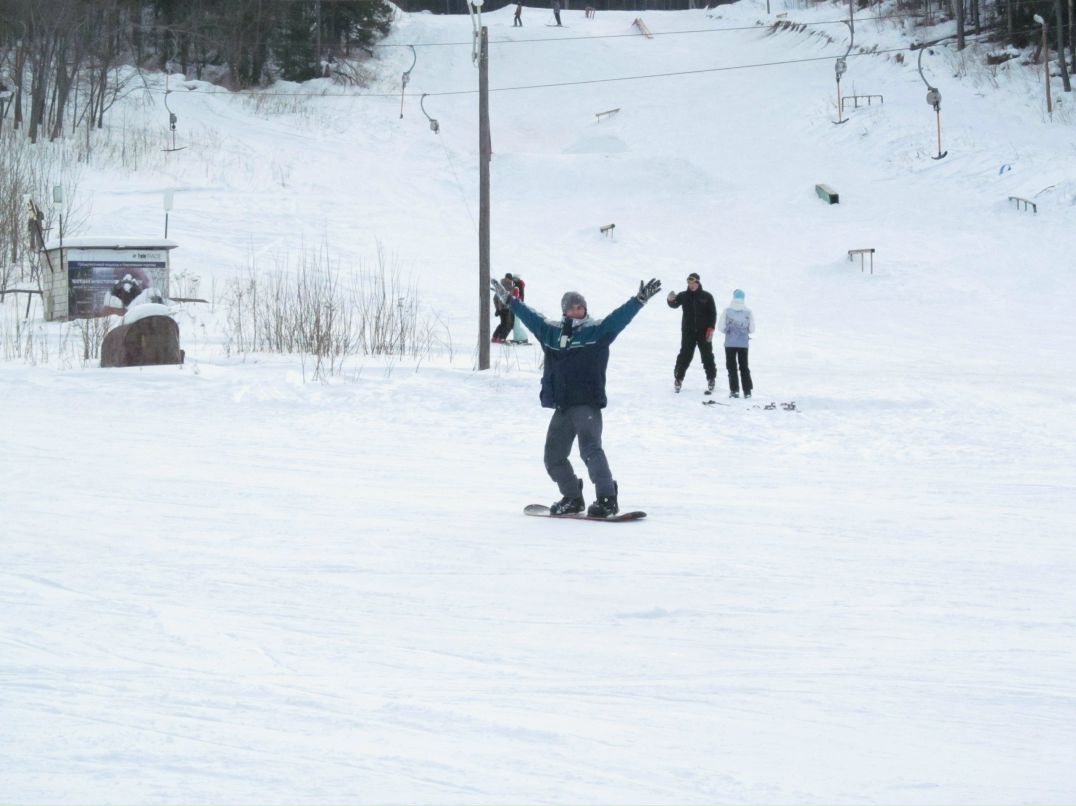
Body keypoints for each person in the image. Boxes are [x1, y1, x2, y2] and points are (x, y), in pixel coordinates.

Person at [490, 276, 662, 517]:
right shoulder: (551, 333)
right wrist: (509, 300)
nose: (576, 311)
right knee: (553, 457)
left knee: (590, 450)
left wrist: (638, 301)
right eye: (571, 308)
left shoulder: (596, 331)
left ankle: (607, 499)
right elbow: (530, 317)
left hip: (587, 405)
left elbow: (618, 318)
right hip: (563, 407)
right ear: (564, 311)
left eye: (580, 307)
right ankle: (572, 497)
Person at [666, 271, 717, 394]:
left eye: (693, 283)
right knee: (685, 355)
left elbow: (712, 313)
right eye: (689, 283)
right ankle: (678, 378)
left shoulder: (707, 296)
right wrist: (670, 300)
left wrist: (711, 327)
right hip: (688, 331)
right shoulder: (684, 295)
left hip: (704, 332)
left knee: (707, 355)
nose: (691, 285)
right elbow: (674, 304)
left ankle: (711, 378)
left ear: (698, 283)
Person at [717, 288, 755, 398]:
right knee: (744, 366)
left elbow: (720, 327)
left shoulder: (727, 310)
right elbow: (752, 329)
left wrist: (728, 331)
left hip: (730, 344)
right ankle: (747, 391)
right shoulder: (748, 312)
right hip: (743, 344)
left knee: (731, 367)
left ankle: (734, 391)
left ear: (733, 297)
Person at [491, 274, 515, 343]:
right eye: (511, 279)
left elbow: (495, 298)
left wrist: (497, 308)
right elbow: (510, 298)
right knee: (507, 324)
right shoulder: (508, 286)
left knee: (502, 323)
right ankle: (501, 338)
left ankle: (495, 337)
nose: (511, 281)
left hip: (501, 309)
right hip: (506, 308)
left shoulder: (500, 285)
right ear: (508, 279)